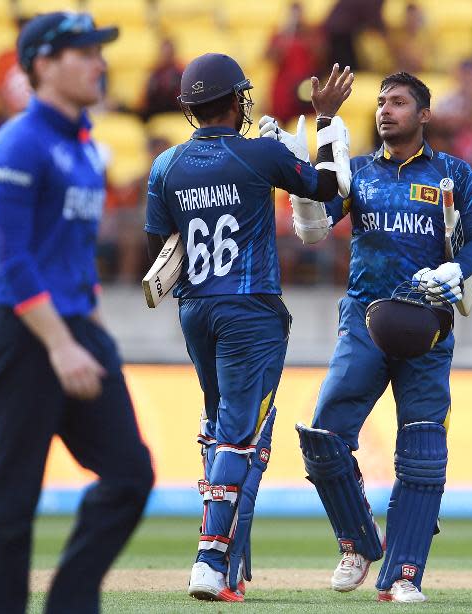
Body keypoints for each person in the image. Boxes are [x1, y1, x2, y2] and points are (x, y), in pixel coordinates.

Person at [144, 53, 353, 602]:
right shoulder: (259, 153)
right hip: (250, 309)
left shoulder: (165, 166)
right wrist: (325, 119)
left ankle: (222, 552)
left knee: (221, 428)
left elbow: (161, 253)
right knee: (238, 432)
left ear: (191, 109)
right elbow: (329, 189)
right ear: (237, 101)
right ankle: (211, 559)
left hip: (195, 311)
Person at [0, 12, 154, 614]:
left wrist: (93, 333)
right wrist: (59, 343)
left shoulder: (84, 148)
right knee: (10, 498)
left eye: (100, 52)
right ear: (43, 64)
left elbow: (73, 257)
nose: (99, 63)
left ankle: (70, 603)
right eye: (84, 52)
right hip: (27, 334)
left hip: (74, 327)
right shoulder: (18, 142)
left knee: (130, 475)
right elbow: (13, 261)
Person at [294, 72, 472, 602]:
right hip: (363, 320)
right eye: (381, 101)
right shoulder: (356, 172)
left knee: (424, 450)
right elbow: (314, 228)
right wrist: (320, 135)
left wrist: (456, 272)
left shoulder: (453, 173)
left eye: (398, 102)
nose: (385, 109)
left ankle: (404, 575)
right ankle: (357, 542)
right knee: (323, 437)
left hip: (428, 324)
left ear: (424, 114)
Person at [265, 2, 321, 124]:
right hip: (284, 89)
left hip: (305, 86)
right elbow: (269, 57)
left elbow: (321, 57)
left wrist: (306, 32)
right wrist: (285, 35)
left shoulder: (312, 34)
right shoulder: (280, 36)